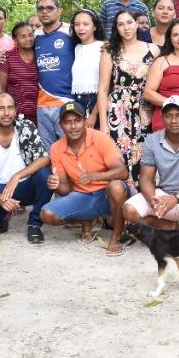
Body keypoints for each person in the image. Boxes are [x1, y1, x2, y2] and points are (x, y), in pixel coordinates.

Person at [40, 101, 131, 248]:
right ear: (61, 125)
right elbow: (64, 190)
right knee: (47, 214)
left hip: (109, 195)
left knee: (116, 187)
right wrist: (55, 185)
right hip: (84, 196)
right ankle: (89, 219)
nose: (73, 126)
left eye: (77, 120)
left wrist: (94, 176)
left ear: (85, 121)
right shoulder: (56, 148)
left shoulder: (100, 138)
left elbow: (123, 172)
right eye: (68, 122)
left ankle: (116, 236)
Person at [0, 93, 53, 243]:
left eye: (10, 108)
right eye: (1, 108)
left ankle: (34, 223)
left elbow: (44, 158)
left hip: (25, 186)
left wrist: (17, 176)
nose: (6, 113)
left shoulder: (26, 127)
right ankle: (2, 216)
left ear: (15, 110)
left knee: (45, 175)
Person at [122, 96, 179, 230]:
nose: (173, 121)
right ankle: (170, 226)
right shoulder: (152, 140)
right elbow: (146, 178)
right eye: (168, 116)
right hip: (164, 197)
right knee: (129, 210)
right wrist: (152, 200)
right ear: (162, 118)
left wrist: (176, 198)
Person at [98, 9, 156, 177]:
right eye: (120, 24)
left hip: (145, 108)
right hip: (117, 110)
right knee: (119, 154)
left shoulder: (153, 50)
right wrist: (103, 124)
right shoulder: (110, 51)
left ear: (137, 23)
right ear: (116, 28)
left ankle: (142, 198)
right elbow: (102, 88)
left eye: (129, 22)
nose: (126, 28)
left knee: (145, 155)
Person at [144, 19, 179, 133]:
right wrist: (173, 102)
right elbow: (148, 93)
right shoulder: (161, 61)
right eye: (175, 35)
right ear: (170, 38)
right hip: (167, 116)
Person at [33, 0, 75, 148]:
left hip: (66, 100)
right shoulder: (35, 35)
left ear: (59, 11)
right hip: (42, 103)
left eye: (49, 8)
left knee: (70, 149)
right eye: (41, 8)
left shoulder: (71, 31)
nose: (45, 11)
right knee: (48, 151)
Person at [0, 20, 39, 123]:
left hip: (40, 113)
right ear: (15, 39)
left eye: (30, 35)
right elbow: (1, 88)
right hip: (15, 115)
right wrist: (1, 111)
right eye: (23, 36)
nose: (28, 39)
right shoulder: (7, 57)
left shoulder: (41, 55)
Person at [69, 10, 103, 125]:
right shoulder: (76, 48)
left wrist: (94, 114)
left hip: (95, 102)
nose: (80, 28)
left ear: (95, 27)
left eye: (85, 24)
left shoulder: (103, 47)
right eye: (77, 24)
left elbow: (107, 86)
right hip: (77, 101)